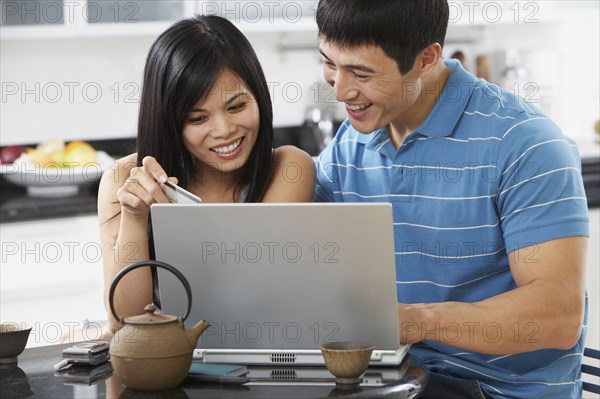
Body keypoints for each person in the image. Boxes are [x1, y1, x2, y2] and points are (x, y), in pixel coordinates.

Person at [314, 1, 589, 398]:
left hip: (495, 391)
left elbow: (557, 315)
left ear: (426, 59)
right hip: (399, 383)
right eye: (329, 64)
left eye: (361, 73)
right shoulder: (350, 144)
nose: (340, 90)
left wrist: (414, 321)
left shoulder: (525, 143)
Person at [98, 15, 315, 330]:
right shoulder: (124, 179)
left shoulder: (288, 169)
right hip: (164, 368)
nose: (225, 130)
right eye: (198, 119)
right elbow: (125, 322)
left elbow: (255, 295)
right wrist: (135, 218)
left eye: (237, 106)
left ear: (259, 97)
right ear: (169, 123)